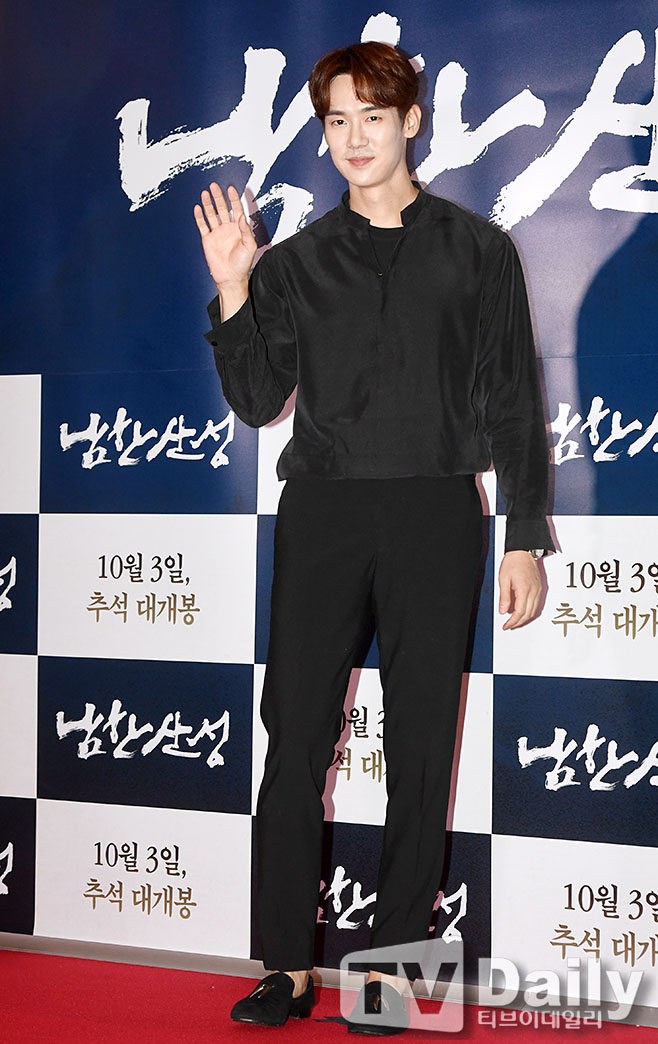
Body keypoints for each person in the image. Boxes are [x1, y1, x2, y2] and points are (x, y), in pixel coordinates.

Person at [194, 40, 555, 1035]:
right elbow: (257, 399)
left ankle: (391, 972)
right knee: (293, 743)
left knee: (420, 750)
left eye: (373, 118)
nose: (354, 139)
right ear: (325, 134)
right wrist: (235, 284)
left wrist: (524, 533)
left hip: (438, 513)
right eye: (337, 122)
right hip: (324, 515)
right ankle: (284, 966)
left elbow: (512, 401)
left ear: (410, 122)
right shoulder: (296, 261)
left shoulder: (479, 250)